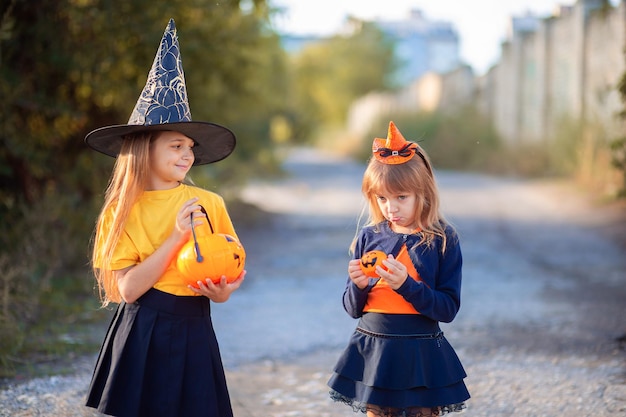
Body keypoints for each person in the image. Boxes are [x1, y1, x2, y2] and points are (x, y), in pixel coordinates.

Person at [84, 19, 244, 417]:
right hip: (143, 329)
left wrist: (222, 293)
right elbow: (127, 290)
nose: (187, 154)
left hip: (195, 326)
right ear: (144, 149)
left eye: (189, 146)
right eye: (176, 145)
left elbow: (231, 266)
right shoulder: (123, 212)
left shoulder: (209, 202)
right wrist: (175, 238)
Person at [327, 121, 470, 417]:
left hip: (421, 354)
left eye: (401, 197)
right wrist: (358, 284)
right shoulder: (368, 236)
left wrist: (406, 285)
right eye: (382, 198)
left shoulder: (442, 240)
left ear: (423, 193)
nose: (391, 207)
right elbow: (352, 309)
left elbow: (447, 309)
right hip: (375, 352)